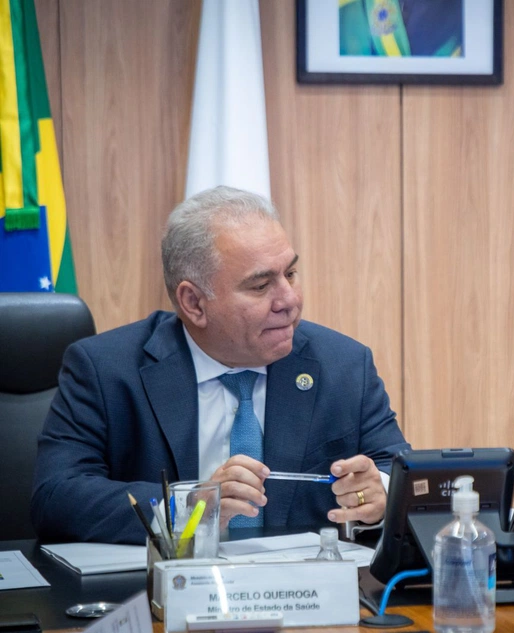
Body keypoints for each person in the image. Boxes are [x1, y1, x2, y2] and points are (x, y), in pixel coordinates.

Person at [31, 186, 410, 544]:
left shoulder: (343, 365)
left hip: (306, 598)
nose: (289, 300)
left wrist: (379, 493)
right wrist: (189, 508)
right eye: (261, 286)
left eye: (290, 274)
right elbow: (56, 497)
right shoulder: (106, 370)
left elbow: (398, 471)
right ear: (194, 303)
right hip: (166, 597)